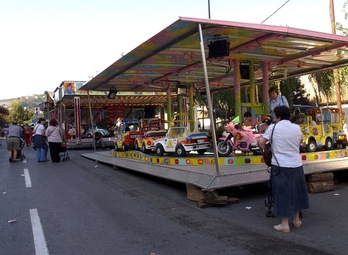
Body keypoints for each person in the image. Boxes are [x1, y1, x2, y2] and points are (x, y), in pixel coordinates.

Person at [259, 106, 309, 233]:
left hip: (280, 165)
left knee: (282, 193)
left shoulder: (273, 127)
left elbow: (262, 143)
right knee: (296, 191)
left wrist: (262, 142)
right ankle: (296, 220)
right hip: (296, 165)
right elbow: (298, 145)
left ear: (277, 116)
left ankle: (284, 224)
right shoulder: (296, 128)